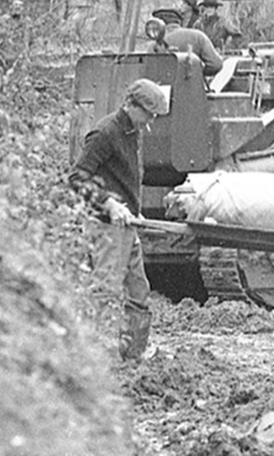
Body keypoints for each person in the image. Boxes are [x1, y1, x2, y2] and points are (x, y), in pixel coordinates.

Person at [68, 78, 169, 361]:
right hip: (106, 226)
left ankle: (134, 353)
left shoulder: (132, 130)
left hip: (127, 224)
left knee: (138, 291)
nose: (149, 123)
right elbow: (77, 178)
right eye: (147, 115)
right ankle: (92, 356)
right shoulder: (105, 133)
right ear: (131, 105)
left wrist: (133, 209)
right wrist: (109, 203)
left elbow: (127, 177)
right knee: (105, 292)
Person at [152, 8, 224, 76]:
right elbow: (216, 64)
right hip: (193, 87)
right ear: (178, 20)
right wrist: (196, 73)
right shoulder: (198, 36)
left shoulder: (154, 43)